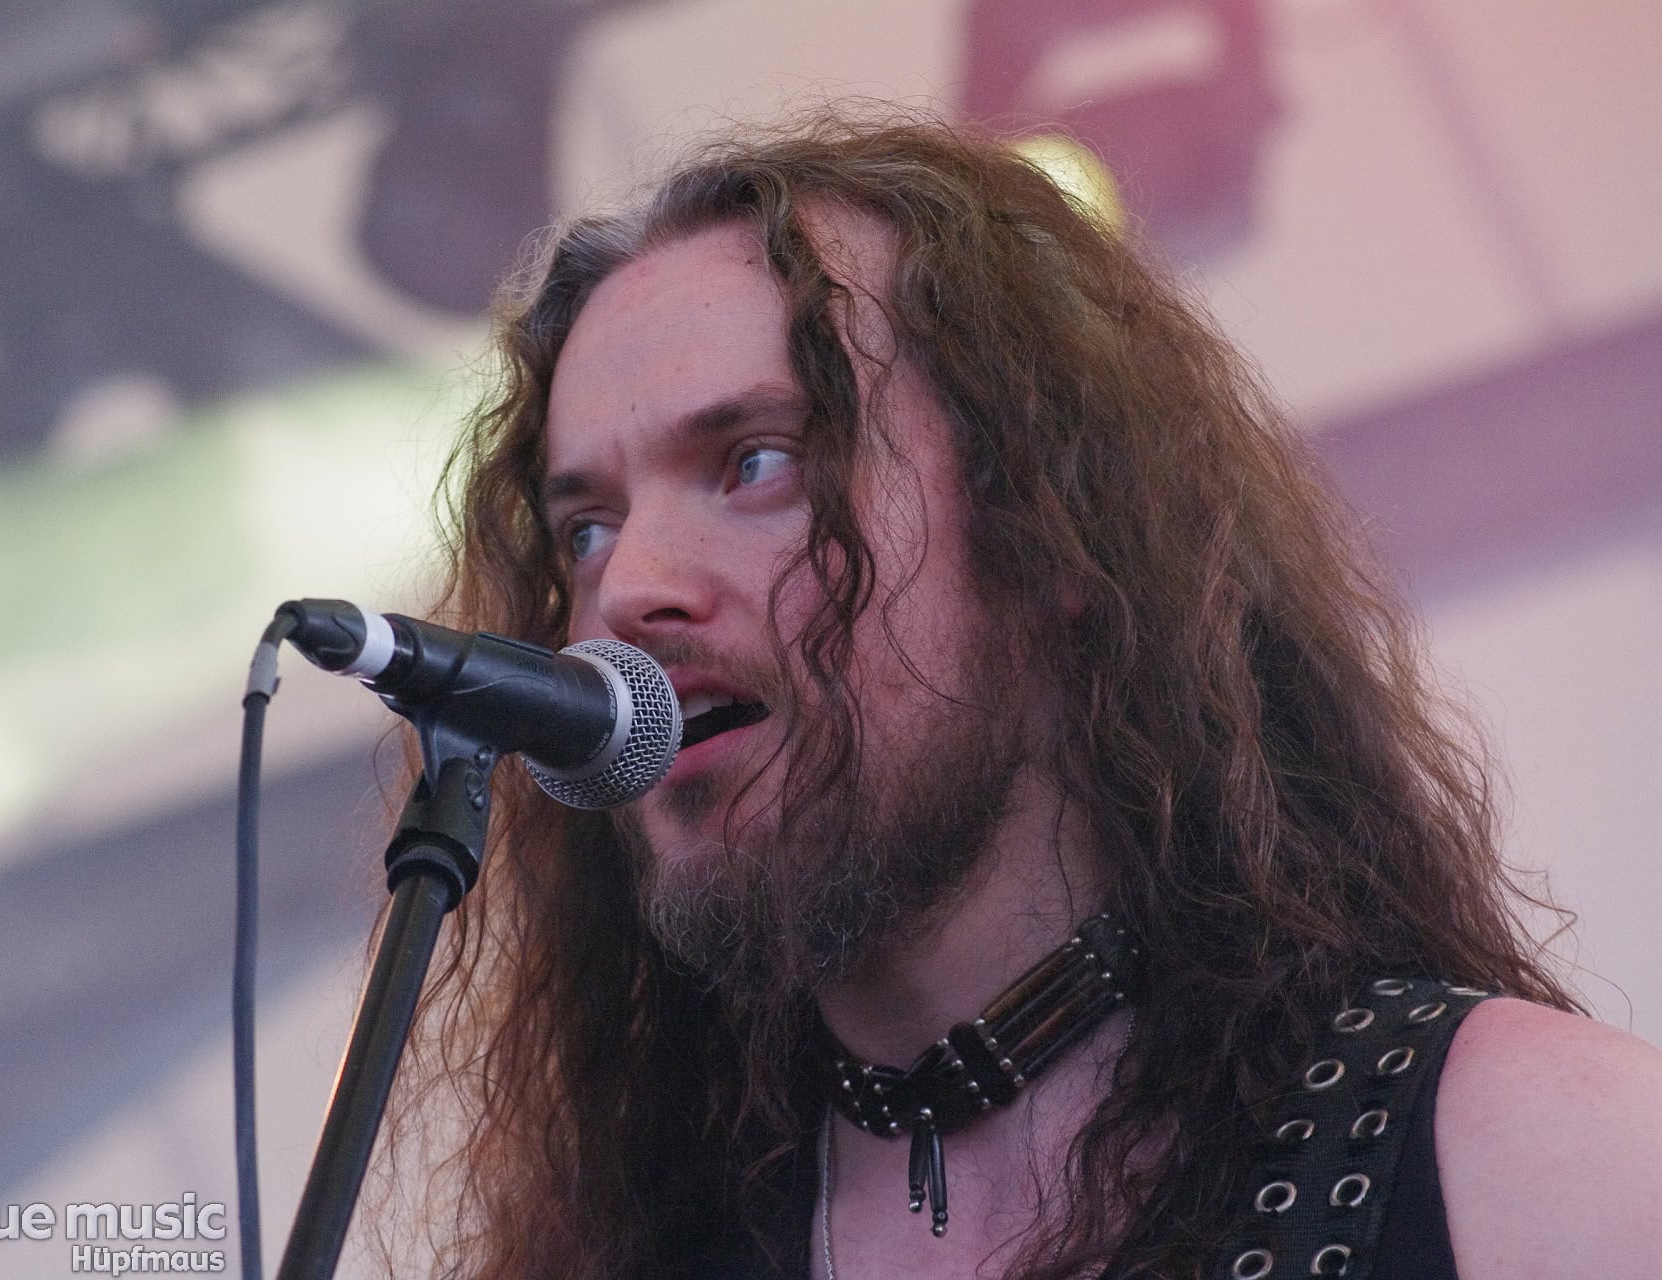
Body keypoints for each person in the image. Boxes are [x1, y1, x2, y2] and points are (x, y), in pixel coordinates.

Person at [389, 110, 1662, 1279]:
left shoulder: (1536, 1161)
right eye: (588, 528)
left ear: (1048, 533)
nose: (628, 590)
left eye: (757, 461)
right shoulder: (628, 1241)